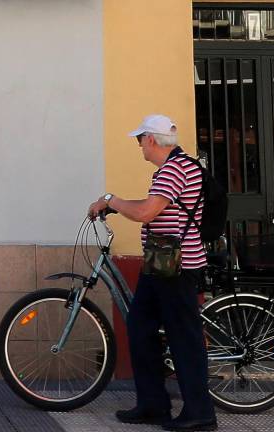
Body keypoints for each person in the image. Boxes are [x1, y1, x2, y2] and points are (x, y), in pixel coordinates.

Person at [88, 114, 217, 431]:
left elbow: (147, 211)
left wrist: (111, 199)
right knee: (140, 327)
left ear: (150, 139)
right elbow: (153, 207)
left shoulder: (175, 169)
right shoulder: (174, 168)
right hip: (159, 263)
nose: (139, 147)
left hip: (176, 266)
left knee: (183, 338)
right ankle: (152, 404)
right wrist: (115, 206)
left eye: (139, 140)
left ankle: (200, 413)